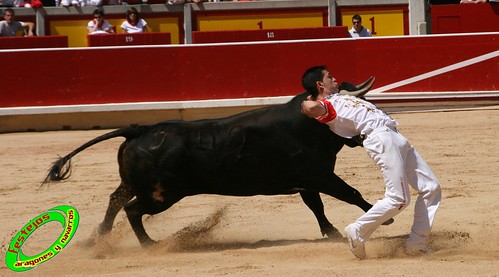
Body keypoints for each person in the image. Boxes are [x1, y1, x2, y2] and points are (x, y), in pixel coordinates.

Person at [300, 65, 441, 259]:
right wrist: (307, 102)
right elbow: (311, 108)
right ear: (319, 84)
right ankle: (358, 229)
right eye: (329, 77)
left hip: (394, 135)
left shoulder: (339, 97)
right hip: (379, 138)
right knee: (398, 199)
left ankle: (417, 244)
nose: (335, 79)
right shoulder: (326, 107)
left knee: (431, 188)